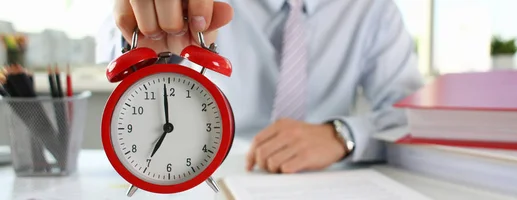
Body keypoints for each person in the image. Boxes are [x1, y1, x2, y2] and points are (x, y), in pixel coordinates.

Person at [97, 0, 423, 174]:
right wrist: (143, 33)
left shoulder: (375, 9)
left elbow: (412, 118)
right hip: (200, 168)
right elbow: (116, 52)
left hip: (328, 176)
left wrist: (343, 134)